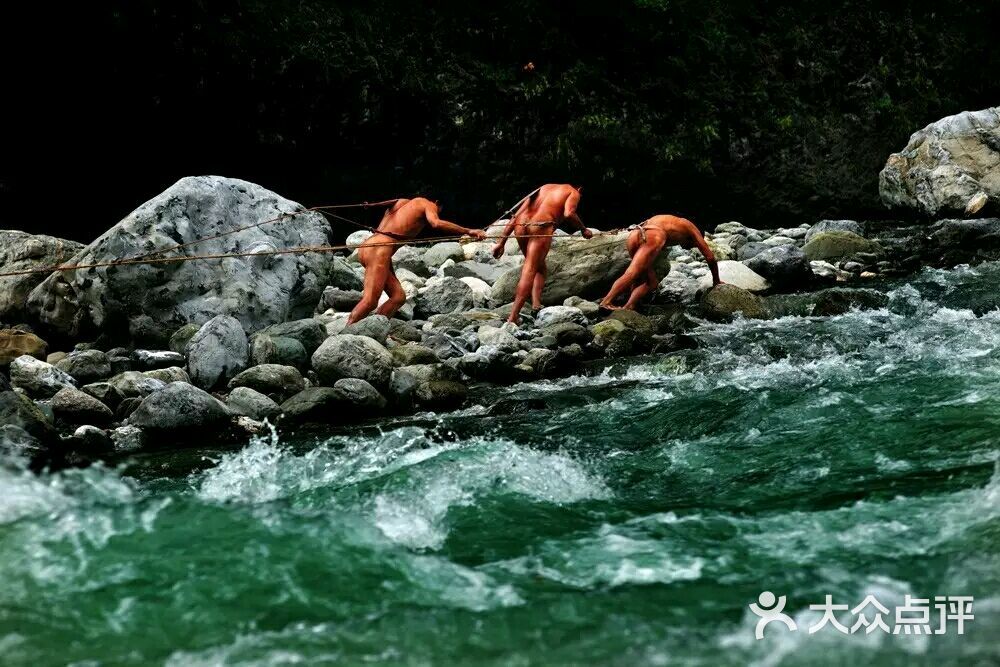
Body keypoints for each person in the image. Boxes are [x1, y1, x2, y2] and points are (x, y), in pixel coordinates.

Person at [349, 198, 486, 323]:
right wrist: (468, 231)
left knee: (398, 297)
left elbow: (389, 203)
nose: (436, 212)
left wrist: (373, 204)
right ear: (437, 203)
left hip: (370, 246)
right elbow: (436, 223)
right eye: (439, 211)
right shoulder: (427, 204)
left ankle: (377, 327)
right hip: (379, 250)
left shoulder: (402, 202)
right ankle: (344, 333)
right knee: (370, 301)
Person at [492, 184, 593, 324]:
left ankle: (536, 303)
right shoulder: (573, 192)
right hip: (541, 226)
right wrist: (583, 229)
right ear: (580, 189)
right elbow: (569, 213)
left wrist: (501, 242)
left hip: (521, 225)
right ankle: (513, 316)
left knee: (540, 267)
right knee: (530, 269)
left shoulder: (544, 187)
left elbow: (516, 215)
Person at [599, 214, 721, 311]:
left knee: (651, 282)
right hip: (653, 235)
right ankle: (607, 301)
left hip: (635, 234)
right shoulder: (691, 227)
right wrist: (716, 281)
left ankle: (629, 306)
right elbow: (710, 257)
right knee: (632, 273)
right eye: (690, 246)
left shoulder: (673, 223)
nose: (687, 248)